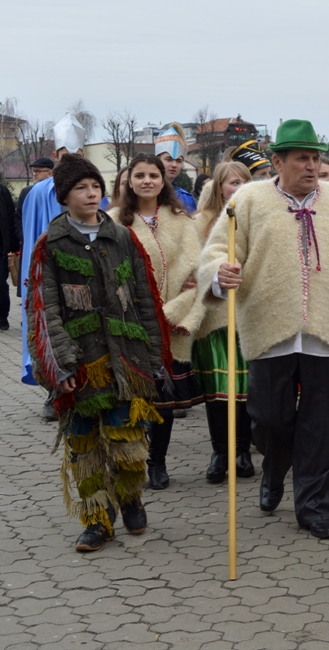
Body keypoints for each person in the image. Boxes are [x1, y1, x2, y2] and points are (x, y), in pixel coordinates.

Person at [200, 119, 329, 540]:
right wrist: (220, 272)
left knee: (321, 425)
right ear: (277, 161)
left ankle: (313, 506)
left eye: (316, 158)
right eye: (301, 159)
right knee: (269, 422)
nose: (311, 166)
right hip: (269, 330)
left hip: (327, 330)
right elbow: (217, 250)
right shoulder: (249, 200)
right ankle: (274, 471)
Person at [27, 154, 169, 552]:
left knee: (126, 439)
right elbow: (44, 310)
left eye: (95, 187)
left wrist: (152, 355)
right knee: (84, 445)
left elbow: (145, 297)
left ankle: (130, 497)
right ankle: (97, 520)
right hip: (80, 363)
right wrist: (60, 367)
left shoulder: (122, 237)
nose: (91, 194)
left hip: (125, 357)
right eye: (80, 188)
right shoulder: (49, 245)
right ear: (63, 196)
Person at [109, 155, 205, 490]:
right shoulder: (114, 222)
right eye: (140, 175)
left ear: (163, 181)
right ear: (129, 181)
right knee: (135, 397)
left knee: (163, 400)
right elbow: (110, 275)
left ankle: (158, 462)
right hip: (131, 321)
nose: (147, 181)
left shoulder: (180, 219)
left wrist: (175, 312)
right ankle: (132, 458)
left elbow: (194, 271)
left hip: (172, 322)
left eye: (153, 175)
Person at [192, 161, 255, 483]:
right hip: (215, 319)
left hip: (248, 317)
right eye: (233, 183)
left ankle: (243, 450)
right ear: (219, 188)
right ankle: (221, 451)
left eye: (245, 181)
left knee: (244, 389)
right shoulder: (200, 222)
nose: (239, 188)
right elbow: (193, 267)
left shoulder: (257, 219)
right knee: (218, 390)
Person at [21, 113, 85, 392]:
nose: (71, 159)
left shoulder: (93, 189)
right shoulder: (39, 193)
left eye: (78, 154)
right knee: (50, 325)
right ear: (56, 155)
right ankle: (51, 385)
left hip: (83, 272)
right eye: (65, 154)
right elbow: (32, 235)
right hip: (50, 271)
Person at [154, 123, 198, 214]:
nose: (174, 165)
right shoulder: (147, 194)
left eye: (178, 161)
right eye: (169, 159)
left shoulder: (187, 199)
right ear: (158, 160)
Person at [1, 181, 19, 330]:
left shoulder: (2, 191)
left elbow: (10, 217)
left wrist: (12, 245)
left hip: (1, 248)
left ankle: (2, 317)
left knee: (0, 283)